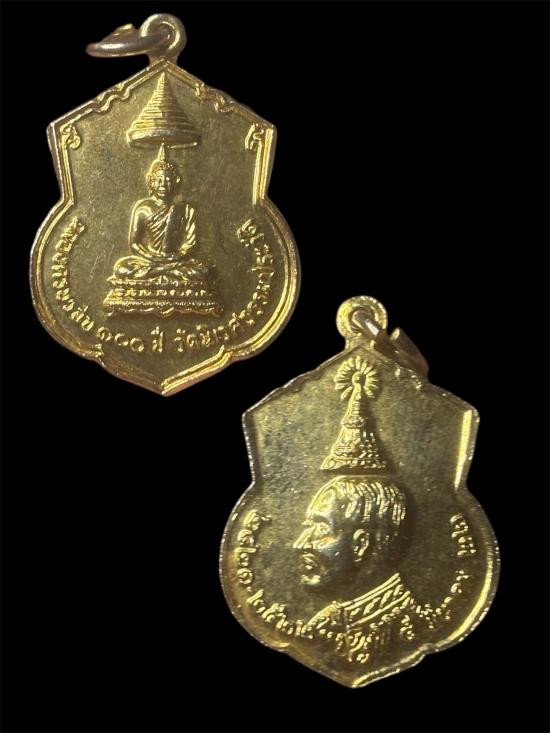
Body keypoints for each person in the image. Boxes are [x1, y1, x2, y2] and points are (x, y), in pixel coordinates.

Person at [293, 477, 416, 664]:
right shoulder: (324, 621)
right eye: (309, 527)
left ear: (361, 545)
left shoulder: (409, 623)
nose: (299, 544)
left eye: (322, 529)